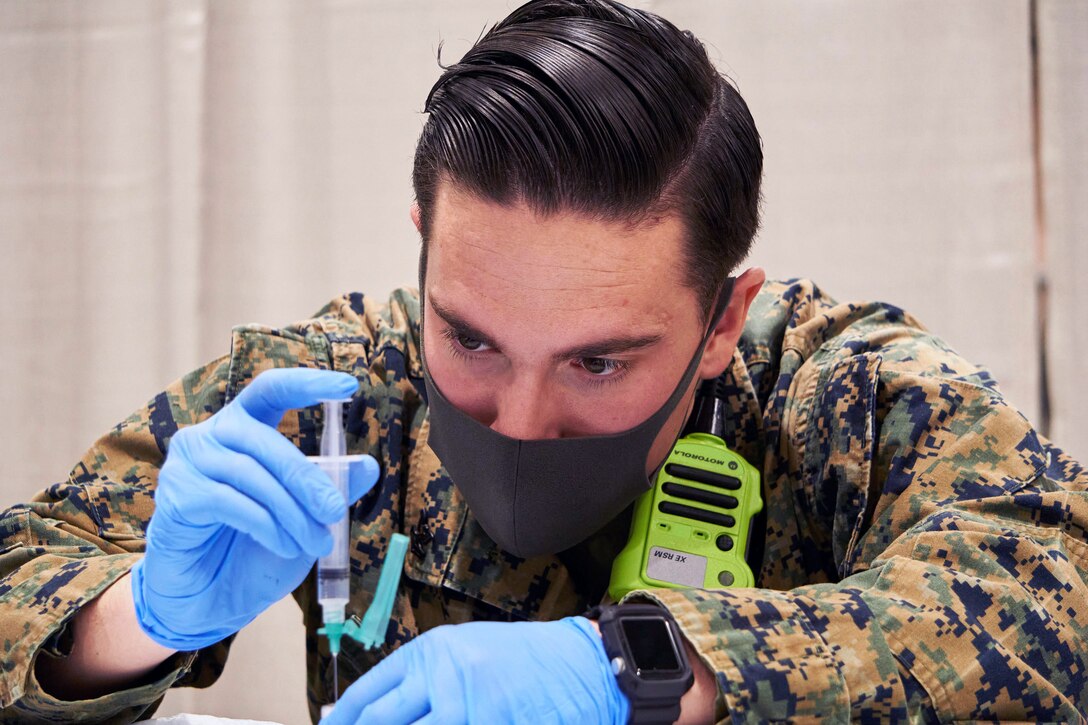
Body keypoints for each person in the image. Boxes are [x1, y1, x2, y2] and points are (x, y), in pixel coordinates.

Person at [2, 0, 1086, 723]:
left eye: (599, 363)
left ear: (719, 321)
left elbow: (1055, 593)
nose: (518, 418)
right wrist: (134, 620)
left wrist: (647, 667)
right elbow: (22, 572)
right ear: (421, 253)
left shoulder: (837, 395)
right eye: (468, 336)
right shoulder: (330, 402)